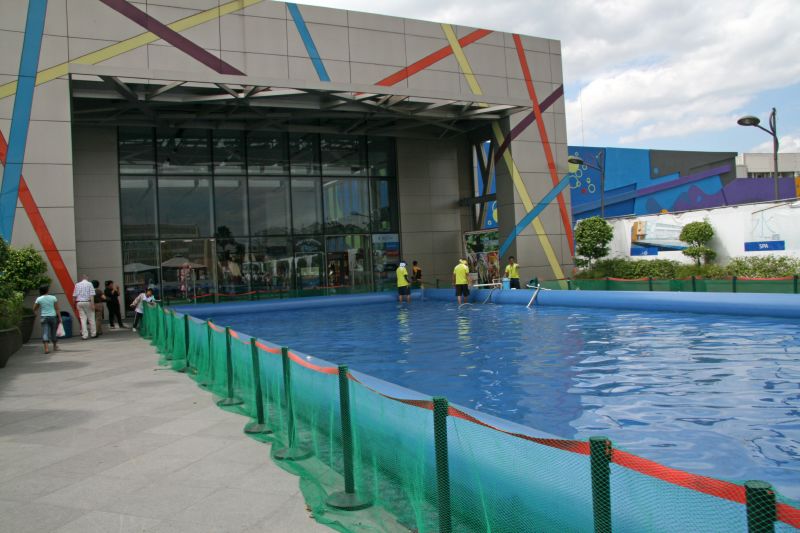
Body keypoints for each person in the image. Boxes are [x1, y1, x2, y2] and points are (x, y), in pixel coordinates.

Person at [33, 285, 61, 354]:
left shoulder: (39, 299)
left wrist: (35, 313)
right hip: (53, 317)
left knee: (45, 332)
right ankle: (55, 346)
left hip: (44, 317)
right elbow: (57, 308)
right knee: (53, 332)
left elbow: (34, 308)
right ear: (47, 290)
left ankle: (46, 349)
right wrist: (59, 317)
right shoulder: (53, 298)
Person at [72, 274, 97, 340]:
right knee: (91, 318)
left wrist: (74, 304)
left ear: (82, 278)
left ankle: (84, 335)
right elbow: (92, 295)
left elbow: (74, 296)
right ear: (87, 278)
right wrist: (92, 304)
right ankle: (93, 333)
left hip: (79, 303)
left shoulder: (77, 285)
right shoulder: (90, 284)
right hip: (88, 302)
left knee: (83, 319)